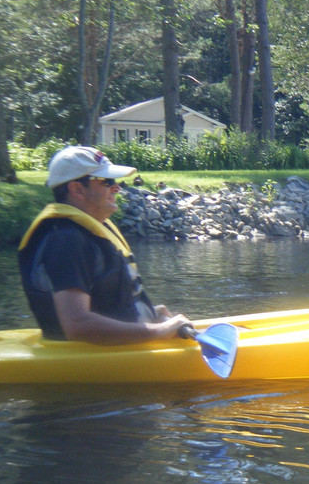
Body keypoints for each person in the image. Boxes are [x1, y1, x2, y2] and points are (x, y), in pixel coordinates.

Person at [18, 146, 191, 344]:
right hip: (86, 362)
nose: (116, 187)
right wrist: (159, 331)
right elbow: (77, 325)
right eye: (106, 182)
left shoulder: (85, 232)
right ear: (77, 189)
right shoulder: (67, 240)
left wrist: (150, 314)